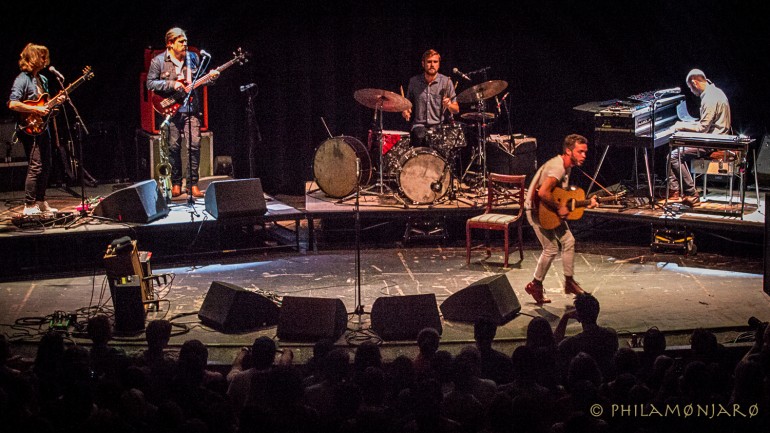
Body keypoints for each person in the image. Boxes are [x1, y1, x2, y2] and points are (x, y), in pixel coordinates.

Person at [523, 134, 597, 304]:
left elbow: (561, 198)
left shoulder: (566, 166)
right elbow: (543, 193)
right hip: (536, 210)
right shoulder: (559, 167)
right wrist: (559, 207)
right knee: (550, 248)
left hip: (547, 209)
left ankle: (568, 281)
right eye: (580, 152)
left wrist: (584, 203)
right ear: (568, 151)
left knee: (568, 240)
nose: (584, 155)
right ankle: (536, 284)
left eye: (585, 152)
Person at [146, 27, 218, 198]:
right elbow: (150, 83)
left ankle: (192, 184)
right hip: (171, 109)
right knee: (173, 146)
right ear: (170, 43)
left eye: (186, 41)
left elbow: (201, 81)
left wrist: (211, 78)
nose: (185, 44)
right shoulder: (158, 61)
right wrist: (172, 84)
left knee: (194, 145)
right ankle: (176, 183)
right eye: (181, 41)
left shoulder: (193, 58)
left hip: (191, 109)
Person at [7, 43, 59, 216]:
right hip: (29, 128)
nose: (45, 60)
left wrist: (53, 107)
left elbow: (45, 104)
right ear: (33, 59)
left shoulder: (42, 79)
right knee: (36, 165)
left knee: (47, 164)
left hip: (43, 128)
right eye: (41, 56)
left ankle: (40, 200)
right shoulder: (22, 79)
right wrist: (35, 110)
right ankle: (29, 204)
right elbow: (13, 103)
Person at [667, 68, 731, 206]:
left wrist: (680, 126)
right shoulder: (716, 92)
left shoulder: (709, 97)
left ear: (694, 82)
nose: (692, 91)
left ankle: (691, 194)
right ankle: (675, 192)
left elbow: (703, 128)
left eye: (690, 88)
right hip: (715, 137)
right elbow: (707, 123)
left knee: (673, 156)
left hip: (713, 141)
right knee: (675, 152)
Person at [401, 49, 460, 148]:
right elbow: (407, 105)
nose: (432, 65)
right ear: (423, 64)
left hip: (439, 126)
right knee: (419, 136)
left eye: (435, 62)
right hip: (419, 126)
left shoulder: (447, 82)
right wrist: (405, 111)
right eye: (429, 62)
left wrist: (449, 105)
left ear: (439, 64)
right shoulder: (414, 82)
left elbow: (456, 110)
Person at [554, 293, 619, 380]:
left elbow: (554, 344)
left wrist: (565, 317)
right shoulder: (611, 335)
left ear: (578, 316)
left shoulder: (570, 344)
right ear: (597, 311)